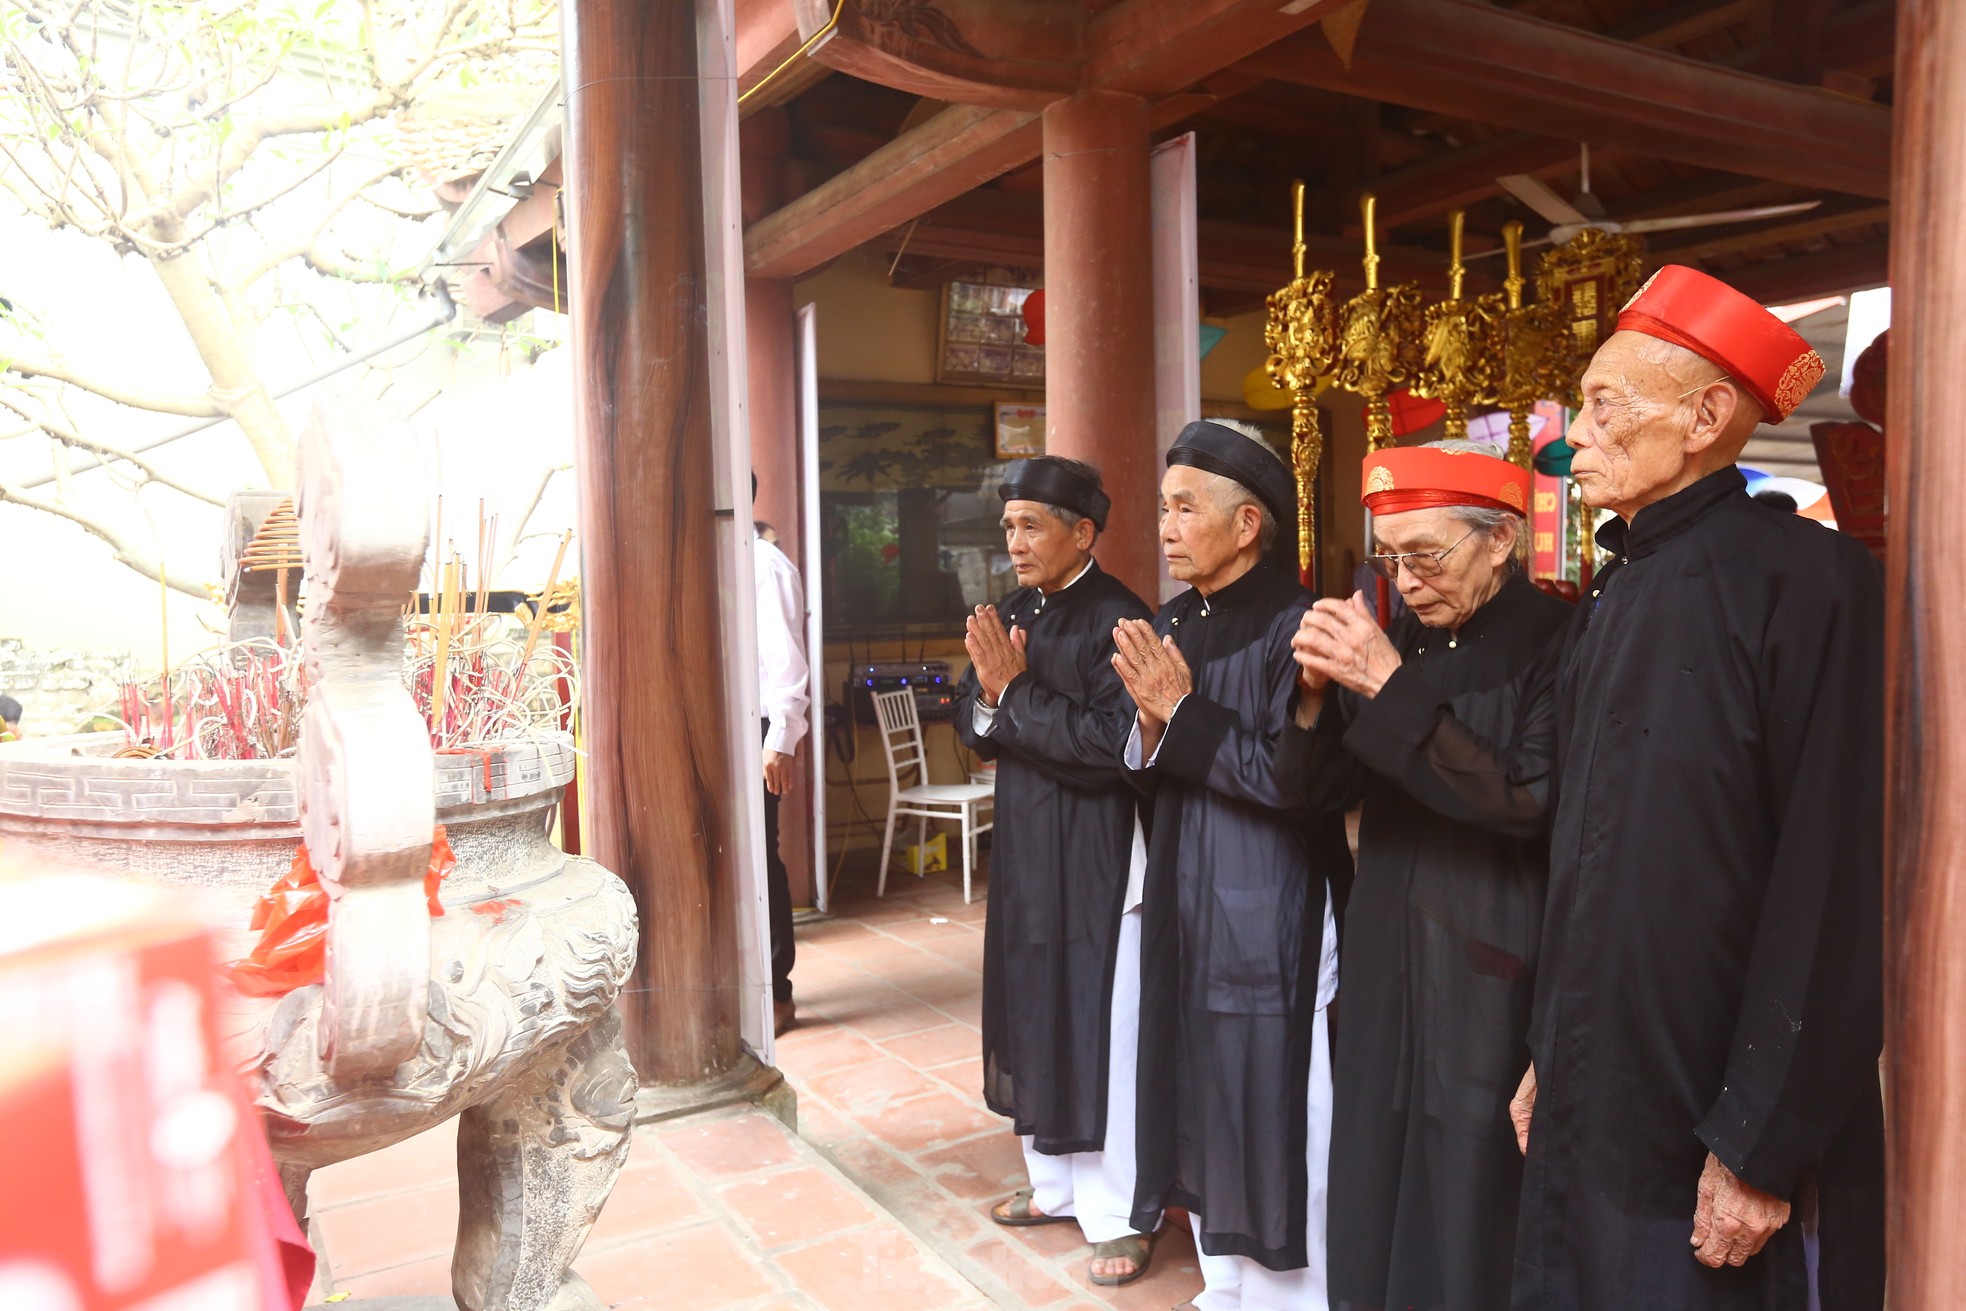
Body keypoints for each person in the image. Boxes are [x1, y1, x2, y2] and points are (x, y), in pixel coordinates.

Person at [1296, 265, 1885, 1309]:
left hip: (1710, 1080)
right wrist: (1546, 1056)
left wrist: (1758, 1138)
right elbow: (1579, 857)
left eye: (1605, 405)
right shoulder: (1621, 589)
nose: (1576, 435)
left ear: (1705, 417)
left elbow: (1832, 884)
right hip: (1595, 1060)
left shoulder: (1809, 583)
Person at [1276, 440, 1571, 1311]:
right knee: (1373, 1159)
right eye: (1391, 556)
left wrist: (1389, 682)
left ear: (1502, 539)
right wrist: (1314, 699)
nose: (1406, 578)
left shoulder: (1557, 639)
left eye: (1427, 554)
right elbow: (1315, 793)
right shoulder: (1400, 639)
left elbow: (1526, 797)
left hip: (1491, 960)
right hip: (1386, 951)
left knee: (1470, 1179)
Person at [1112, 419, 1350, 1311]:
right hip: (1184, 890)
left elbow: (1297, 785)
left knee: (1283, 1097)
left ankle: (1302, 1292)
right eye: (1162, 508)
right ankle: (1229, 1284)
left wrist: (1177, 716)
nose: (1166, 526)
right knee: (1200, 1081)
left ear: (1249, 524)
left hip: (1271, 899)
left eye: (1184, 508)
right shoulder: (1172, 622)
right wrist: (1146, 727)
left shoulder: (1303, 626)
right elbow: (1134, 757)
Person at [952, 457, 1158, 1287]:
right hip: (1030, 846)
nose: (1016, 541)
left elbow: (1114, 747)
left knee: (1097, 1018)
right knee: (1034, 1000)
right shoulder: (1011, 612)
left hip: (1100, 851)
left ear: (1082, 532)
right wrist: (997, 697)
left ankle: (1120, 1212)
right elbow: (973, 717)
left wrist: (1015, 695)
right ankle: (1054, 1186)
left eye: (1031, 524)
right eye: (1008, 526)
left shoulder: (1122, 619)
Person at [753, 480, 810, 1037]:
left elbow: (785, 661)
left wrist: (781, 740)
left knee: (761, 860)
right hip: (724, 729)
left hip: (760, 727)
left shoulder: (763, 564)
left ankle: (777, 990)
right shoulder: (718, 559)